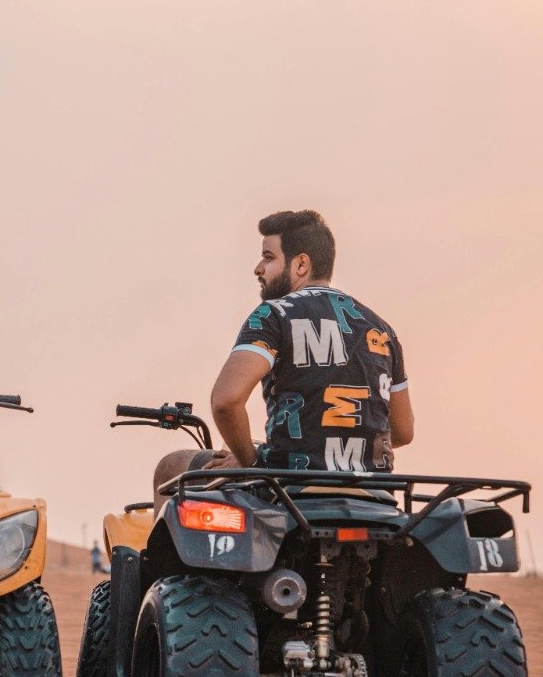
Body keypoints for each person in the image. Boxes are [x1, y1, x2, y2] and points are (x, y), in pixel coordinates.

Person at [154, 209, 414, 497]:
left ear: (301, 264)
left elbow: (225, 401)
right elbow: (403, 432)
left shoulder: (274, 315)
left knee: (171, 467)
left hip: (291, 488)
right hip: (375, 495)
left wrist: (250, 461)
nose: (258, 268)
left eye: (268, 257)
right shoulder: (381, 329)